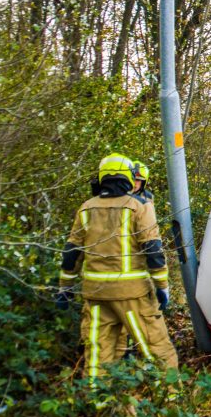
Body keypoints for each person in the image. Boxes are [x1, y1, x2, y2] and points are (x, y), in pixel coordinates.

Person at [57, 154, 179, 385]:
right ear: (127, 177)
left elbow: (71, 253)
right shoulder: (138, 206)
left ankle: (98, 403)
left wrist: (64, 288)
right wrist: (163, 287)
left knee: (99, 352)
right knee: (156, 348)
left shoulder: (86, 209)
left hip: (96, 295)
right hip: (131, 294)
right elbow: (153, 250)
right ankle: (171, 398)